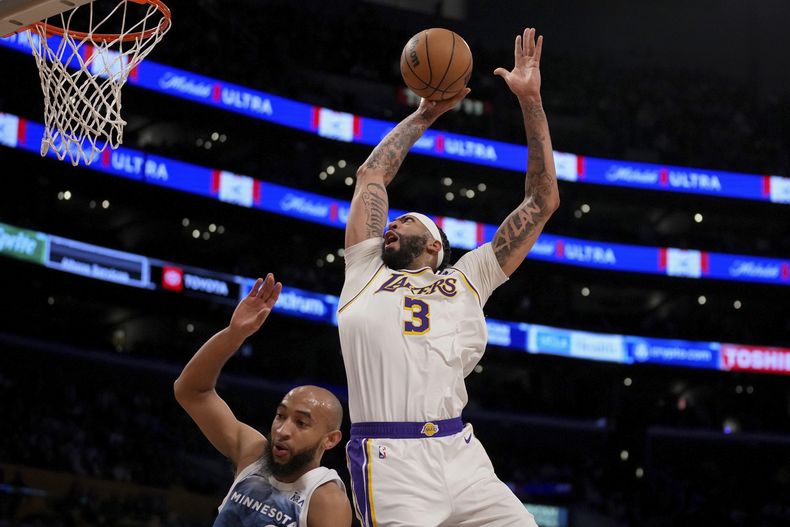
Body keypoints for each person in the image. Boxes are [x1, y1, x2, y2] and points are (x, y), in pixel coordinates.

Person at [338, 28, 559, 526]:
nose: (391, 223)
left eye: (406, 220)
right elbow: (372, 177)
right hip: (391, 458)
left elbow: (541, 203)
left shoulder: (468, 277)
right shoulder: (365, 269)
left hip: (461, 452)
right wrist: (423, 115)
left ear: (435, 245)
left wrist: (531, 102)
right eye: (392, 220)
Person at [174, 274, 352, 527]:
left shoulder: (325, 498)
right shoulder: (254, 454)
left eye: (301, 423)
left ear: (330, 439)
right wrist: (234, 334)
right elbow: (191, 391)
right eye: (281, 415)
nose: (282, 430)